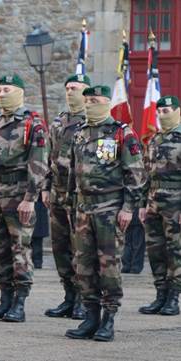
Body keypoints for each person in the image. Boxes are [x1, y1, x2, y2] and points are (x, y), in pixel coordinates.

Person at [65, 85, 146, 342]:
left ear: (106, 102)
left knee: (108, 266)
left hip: (110, 210)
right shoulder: (79, 133)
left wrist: (128, 208)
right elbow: (72, 172)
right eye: (86, 100)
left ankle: (109, 318)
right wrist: (70, 202)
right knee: (83, 265)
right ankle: (90, 317)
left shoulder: (122, 133)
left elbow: (136, 175)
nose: (89, 104)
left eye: (95, 100)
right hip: (83, 208)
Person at [0, 74, 49, 323]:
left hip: (20, 195)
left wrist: (31, 198)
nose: (2, 94)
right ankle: (4, 299)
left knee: (20, 249)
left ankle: (19, 302)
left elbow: (38, 163)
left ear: (19, 92)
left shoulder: (32, 125)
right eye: (0, 90)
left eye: (7, 89)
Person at [44, 74, 89, 319]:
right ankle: (69, 296)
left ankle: (84, 298)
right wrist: (45, 187)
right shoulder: (58, 122)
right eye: (68, 88)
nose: (70, 92)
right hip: (57, 192)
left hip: (78, 194)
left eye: (76, 88)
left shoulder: (91, 122)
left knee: (79, 248)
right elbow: (50, 158)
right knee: (60, 247)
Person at [139, 95, 181, 316]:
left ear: (177, 111)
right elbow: (146, 174)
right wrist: (143, 204)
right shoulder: (155, 139)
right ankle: (160, 295)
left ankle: (174, 298)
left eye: (167, 112)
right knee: (155, 251)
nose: (162, 116)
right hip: (154, 202)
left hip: (176, 202)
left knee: (176, 251)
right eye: (160, 112)